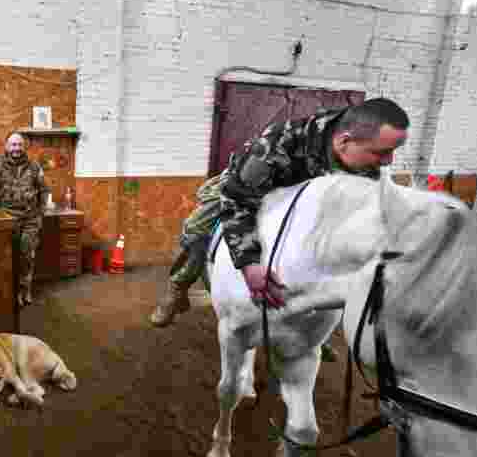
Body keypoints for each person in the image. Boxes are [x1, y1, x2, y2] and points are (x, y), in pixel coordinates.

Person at [149, 98, 410, 326]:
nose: (388, 162)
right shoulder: (274, 144)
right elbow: (238, 199)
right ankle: (178, 287)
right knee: (196, 230)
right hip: (250, 187)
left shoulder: (362, 150)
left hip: (304, 201)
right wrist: (249, 264)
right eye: (383, 153)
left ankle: (303, 323)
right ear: (344, 142)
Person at [0, 132, 50, 306]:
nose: (16, 148)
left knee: (27, 255)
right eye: (13, 145)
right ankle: (12, 292)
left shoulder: (34, 167)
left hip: (30, 220)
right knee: (9, 257)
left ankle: (24, 289)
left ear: (24, 147)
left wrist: (41, 213)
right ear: (6, 147)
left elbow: (44, 190)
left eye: (19, 145)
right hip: (8, 220)